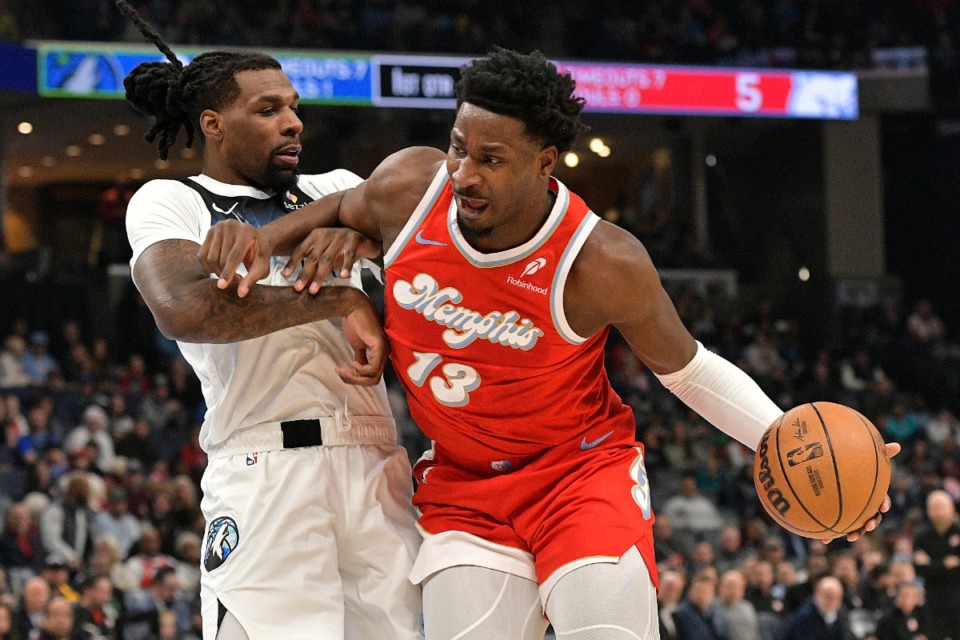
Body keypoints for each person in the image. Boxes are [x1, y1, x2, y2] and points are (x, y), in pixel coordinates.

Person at [202, 47, 899, 639]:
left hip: (578, 477)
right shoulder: (411, 187)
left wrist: (791, 438)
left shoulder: (601, 261)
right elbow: (334, 211)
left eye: (491, 159)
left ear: (545, 162)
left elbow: (688, 371)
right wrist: (260, 240)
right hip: (464, 487)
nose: (464, 173)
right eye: (458, 146)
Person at [114, 2, 421, 639]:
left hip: (375, 463)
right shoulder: (175, 200)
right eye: (267, 110)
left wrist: (358, 239)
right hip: (264, 466)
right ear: (213, 125)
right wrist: (339, 299)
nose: (292, 123)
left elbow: (428, 184)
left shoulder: (336, 186)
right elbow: (185, 308)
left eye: (292, 106)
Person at [912, 490, 960, 640]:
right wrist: (945, 563)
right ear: (928, 511)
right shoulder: (922, 536)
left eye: (941, 506)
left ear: (952, 508)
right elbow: (919, 569)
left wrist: (932, 563)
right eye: (934, 507)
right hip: (933, 600)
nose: (938, 511)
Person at [783, 576, 853, 640]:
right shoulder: (804, 616)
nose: (832, 601)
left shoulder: (841, 614)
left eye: (836, 597)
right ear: (817, 594)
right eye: (828, 596)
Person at [673, 570, 729, 640]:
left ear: (713, 593)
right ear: (690, 591)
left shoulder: (714, 612)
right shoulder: (683, 613)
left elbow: (724, 635)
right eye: (698, 590)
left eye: (706, 591)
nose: (702, 595)